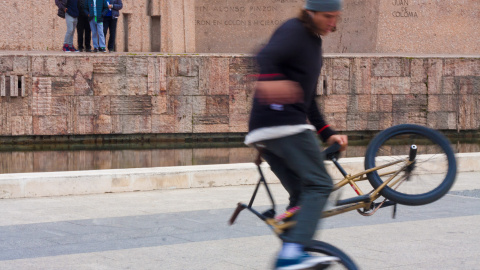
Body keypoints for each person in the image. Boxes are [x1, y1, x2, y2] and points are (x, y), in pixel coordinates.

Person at [244, 0, 348, 269]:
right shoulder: (294, 30)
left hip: (268, 129)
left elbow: (308, 99)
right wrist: (273, 83)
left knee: (302, 193)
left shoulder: (313, 44)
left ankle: (290, 246)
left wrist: (327, 133)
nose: (333, 23)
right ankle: (293, 253)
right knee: (321, 185)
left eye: (336, 17)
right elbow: (263, 57)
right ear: (310, 12)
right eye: (328, 16)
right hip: (283, 123)